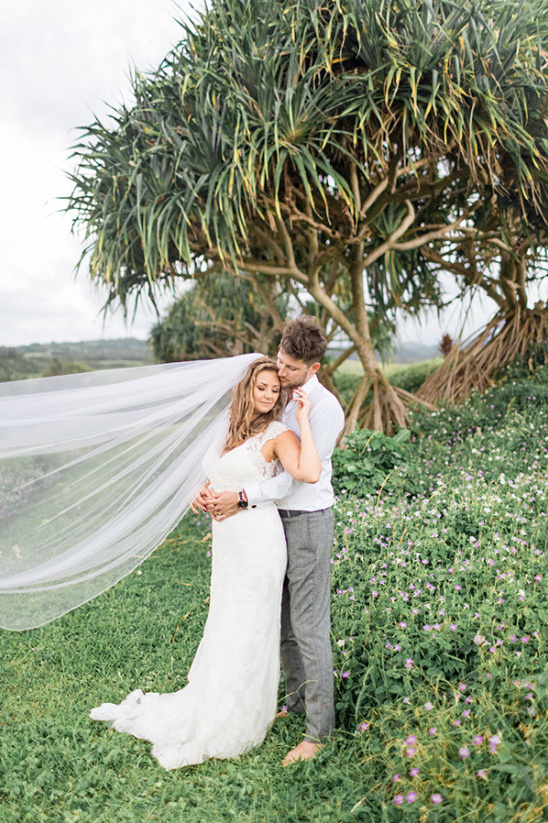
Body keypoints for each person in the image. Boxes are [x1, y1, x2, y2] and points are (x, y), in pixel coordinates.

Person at [89, 357, 322, 770]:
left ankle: (240, 712)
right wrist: (201, 490)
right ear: (247, 388)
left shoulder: (279, 432)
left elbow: (308, 470)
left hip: (258, 540)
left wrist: (303, 419)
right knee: (225, 616)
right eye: (262, 388)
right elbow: (210, 469)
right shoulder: (231, 423)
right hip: (228, 540)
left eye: (275, 389)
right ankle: (211, 697)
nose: (269, 396)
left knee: (250, 621)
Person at [199, 317, 345, 766]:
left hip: (306, 520)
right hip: (270, 524)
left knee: (308, 626)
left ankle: (320, 733)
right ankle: (295, 703)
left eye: (290, 369)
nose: (280, 374)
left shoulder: (325, 411)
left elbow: (295, 479)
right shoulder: (279, 395)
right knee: (281, 623)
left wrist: (242, 497)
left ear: (314, 368)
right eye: (280, 362)